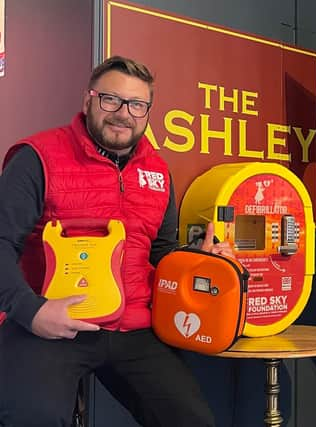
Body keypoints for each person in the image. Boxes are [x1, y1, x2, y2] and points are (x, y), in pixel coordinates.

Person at [0, 56, 231, 427]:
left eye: (137, 104)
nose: (123, 113)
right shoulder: (37, 157)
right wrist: (32, 311)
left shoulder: (157, 171)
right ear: (88, 100)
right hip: (50, 323)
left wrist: (198, 261)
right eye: (111, 99)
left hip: (135, 329)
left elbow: (161, 251)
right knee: (33, 417)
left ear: (147, 112)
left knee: (194, 420)